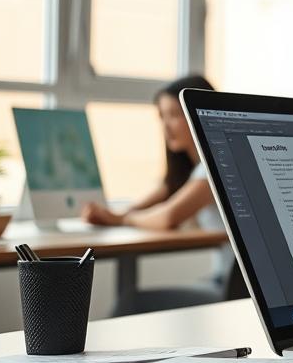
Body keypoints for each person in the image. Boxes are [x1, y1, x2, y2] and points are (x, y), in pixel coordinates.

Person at [83, 75, 235, 313]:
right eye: (162, 116)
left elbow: (167, 217)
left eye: (174, 115)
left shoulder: (214, 164)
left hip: (235, 289)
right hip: (224, 280)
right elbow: (154, 200)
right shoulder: (192, 170)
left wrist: (122, 219)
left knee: (130, 303)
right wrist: (115, 215)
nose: (166, 126)